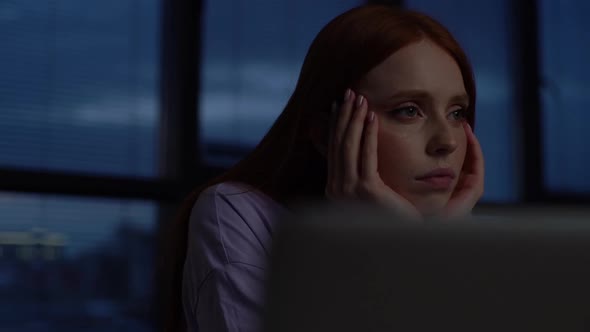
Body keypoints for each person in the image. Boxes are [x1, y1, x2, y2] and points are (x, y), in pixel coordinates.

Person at [162, 4, 485, 332]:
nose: (447, 141)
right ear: (326, 134)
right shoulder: (237, 214)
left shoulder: (471, 249)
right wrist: (392, 249)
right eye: (409, 110)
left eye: (457, 113)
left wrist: (434, 247)